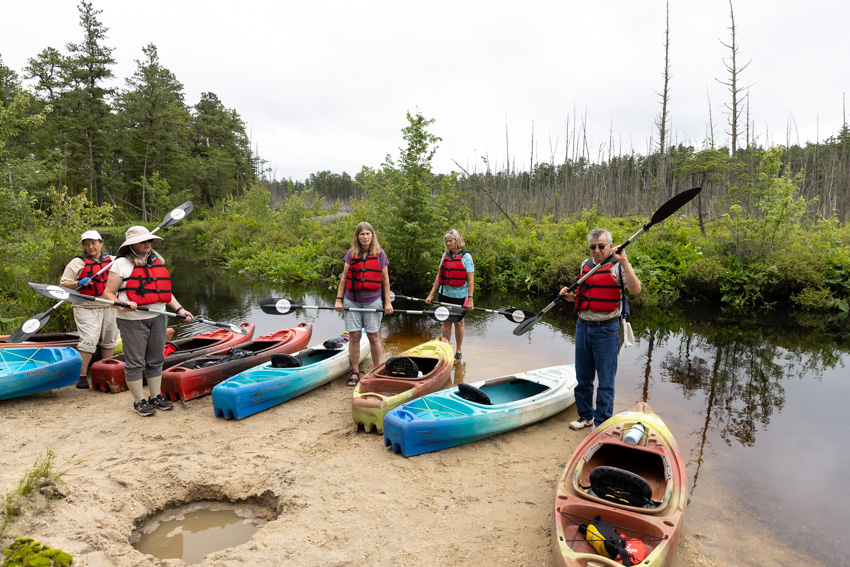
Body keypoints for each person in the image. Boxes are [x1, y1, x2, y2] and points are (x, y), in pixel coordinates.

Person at [102, 226, 195, 416]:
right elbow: (108, 293)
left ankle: (155, 396)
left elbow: (164, 292)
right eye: (143, 241)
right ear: (132, 245)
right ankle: (139, 401)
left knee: (156, 359)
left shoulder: (156, 261)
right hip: (132, 320)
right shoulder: (121, 264)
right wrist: (123, 304)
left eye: (149, 241)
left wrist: (180, 309)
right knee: (135, 362)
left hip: (159, 317)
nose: (147, 244)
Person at [559, 228, 641, 430]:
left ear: (610, 246)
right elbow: (583, 296)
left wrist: (624, 262)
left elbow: (636, 289)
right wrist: (570, 297)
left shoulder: (618, 266)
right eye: (593, 247)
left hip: (606, 329)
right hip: (582, 327)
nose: (596, 251)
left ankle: (602, 423)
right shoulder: (585, 266)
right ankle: (586, 417)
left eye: (601, 246)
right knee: (583, 377)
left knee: (605, 380)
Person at [334, 222, 393, 386]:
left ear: (372, 235)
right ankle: (354, 372)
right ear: (357, 237)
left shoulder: (380, 254)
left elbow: (386, 280)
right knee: (354, 336)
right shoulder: (351, 254)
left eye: (368, 234)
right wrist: (339, 299)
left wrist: (387, 302)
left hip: (372, 300)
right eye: (362, 234)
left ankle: (375, 371)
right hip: (351, 300)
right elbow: (344, 278)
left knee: (374, 337)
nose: (365, 237)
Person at [59, 230, 120, 389]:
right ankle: (81, 376)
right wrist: (78, 282)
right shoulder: (76, 263)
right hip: (86, 306)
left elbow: (126, 275)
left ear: (101, 243)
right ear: (83, 247)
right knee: (89, 340)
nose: (91, 247)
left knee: (110, 339)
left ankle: (103, 370)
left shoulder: (113, 261)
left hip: (109, 305)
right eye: (87, 244)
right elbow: (63, 284)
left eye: (94, 243)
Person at [425, 229, 474, 360]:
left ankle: (458, 349)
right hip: (444, 294)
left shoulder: (466, 257)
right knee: (446, 322)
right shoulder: (445, 256)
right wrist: (431, 294)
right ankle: (446, 347)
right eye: (446, 241)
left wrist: (470, 299)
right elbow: (438, 277)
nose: (448, 243)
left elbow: (470, 280)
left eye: (450, 241)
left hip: (460, 296)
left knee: (459, 323)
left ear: (457, 241)